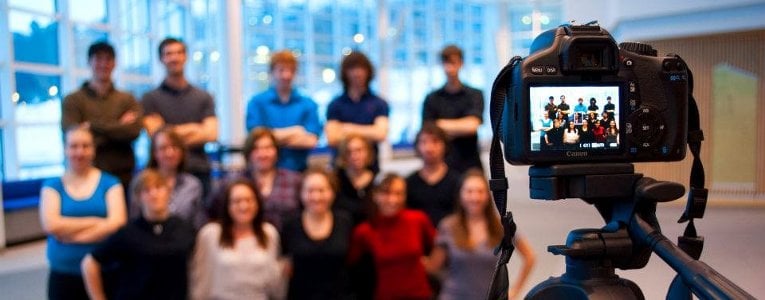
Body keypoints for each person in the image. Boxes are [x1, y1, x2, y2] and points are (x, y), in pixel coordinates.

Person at [40, 126, 127, 300]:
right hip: (63, 272)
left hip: (105, 271)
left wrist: (71, 236)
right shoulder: (52, 185)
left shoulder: (110, 183)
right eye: (73, 146)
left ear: (93, 150)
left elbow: (117, 222)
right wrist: (98, 222)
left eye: (85, 146)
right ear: (65, 149)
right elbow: (50, 225)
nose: (79, 152)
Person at [81, 169, 196, 300]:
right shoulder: (128, 233)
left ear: (168, 191)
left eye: (158, 187)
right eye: (146, 190)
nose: (154, 194)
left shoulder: (184, 228)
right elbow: (90, 263)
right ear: (138, 197)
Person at [426, 170, 535, 300]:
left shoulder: (501, 226)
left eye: (480, 191)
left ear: (488, 196)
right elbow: (433, 266)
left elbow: (530, 257)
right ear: (460, 195)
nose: (475, 197)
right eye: (469, 191)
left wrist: (515, 291)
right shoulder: (448, 226)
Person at [141, 37, 218, 199]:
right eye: (168, 54)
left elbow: (211, 134)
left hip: (199, 170)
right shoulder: (149, 99)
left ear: (185, 56)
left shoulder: (204, 97)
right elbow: (156, 136)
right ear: (161, 59)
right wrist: (195, 129)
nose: (174, 58)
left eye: (178, 53)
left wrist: (169, 131)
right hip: (162, 175)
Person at [61, 41, 142, 192]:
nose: (103, 64)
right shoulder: (73, 100)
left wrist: (91, 127)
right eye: (98, 59)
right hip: (85, 179)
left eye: (108, 59)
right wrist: (118, 126)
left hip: (123, 178)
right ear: (89, 62)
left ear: (114, 63)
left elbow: (134, 132)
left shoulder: (127, 99)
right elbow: (73, 139)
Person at [190, 179, 284, 300]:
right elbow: (200, 281)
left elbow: (275, 284)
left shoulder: (269, 233)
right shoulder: (210, 234)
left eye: (249, 200)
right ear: (227, 205)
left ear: (257, 204)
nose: (244, 206)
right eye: (236, 201)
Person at [349, 173, 436, 300]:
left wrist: (430, 264)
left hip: (420, 294)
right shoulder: (364, 231)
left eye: (398, 193)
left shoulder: (418, 219)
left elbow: (441, 246)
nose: (393, 200)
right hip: (386, 296)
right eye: (386, 193)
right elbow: (351, 263)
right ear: (375, 195)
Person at [281, 168, 354, 299]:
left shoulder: (345, 221)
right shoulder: (290, 224)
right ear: (301, 194)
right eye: (310, 191)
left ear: (332, 192)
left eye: (322, 190)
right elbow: (284, 264)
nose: (316, 197)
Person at [245, 50, 322, 172]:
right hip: (265, 172)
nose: (286, 75)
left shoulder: (308, 104)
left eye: (291, 70)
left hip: (299, 171)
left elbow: (311, 141)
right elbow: (257, 139)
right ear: (271, 72)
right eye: (281, 70)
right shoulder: (257, 103)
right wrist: (296, 131)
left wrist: (273, 138)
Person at [222, 128, 302, 231]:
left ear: (276, 151)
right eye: (256, 149)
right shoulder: (233, 180)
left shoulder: (294, 180)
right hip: (246, 241)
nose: (263, 154)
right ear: (248, 152)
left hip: (288, 240)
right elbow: (214, 212)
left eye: (268, 148)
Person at [422, 45, 484, 173]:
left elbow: (472, 126)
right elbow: (429, 131)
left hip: (470, 163)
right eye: (446, 63)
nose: (449, 68)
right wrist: (461, 126)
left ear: (461, 63)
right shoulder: (432, 98)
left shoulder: (474, 95)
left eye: (453, 62)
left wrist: (439, 124)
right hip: (442, 166)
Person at [129, 127, 206, 229]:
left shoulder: (192, 185)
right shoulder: (141, 181)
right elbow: (134, 221)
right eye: (163, 148)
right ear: (154, 153)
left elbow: (198, 224)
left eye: (175, 147)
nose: (170, 153)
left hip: (184, 240)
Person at [325, 51, 389, 171]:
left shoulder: (379, 103)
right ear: (345, 73)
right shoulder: (335, 105)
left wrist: (347, 128)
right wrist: (369, 131)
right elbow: (332, 138)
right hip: (341, 170)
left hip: (370, 168)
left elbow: (381, 134)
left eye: (361, 68)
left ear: (368, 71)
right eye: (352, 69)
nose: (357, 73)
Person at [406, 123, 461, 226]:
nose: (429, 148)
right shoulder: (409, 183)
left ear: (445, 145)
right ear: (417, 146)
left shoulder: (457, 181)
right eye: (423, 142)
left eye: (435, 141)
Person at [333, 134, 376, 226]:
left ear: (368, 152)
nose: (354, 156)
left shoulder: (377, 180)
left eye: (359, 150)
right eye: (349, 152)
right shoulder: (335, 181)